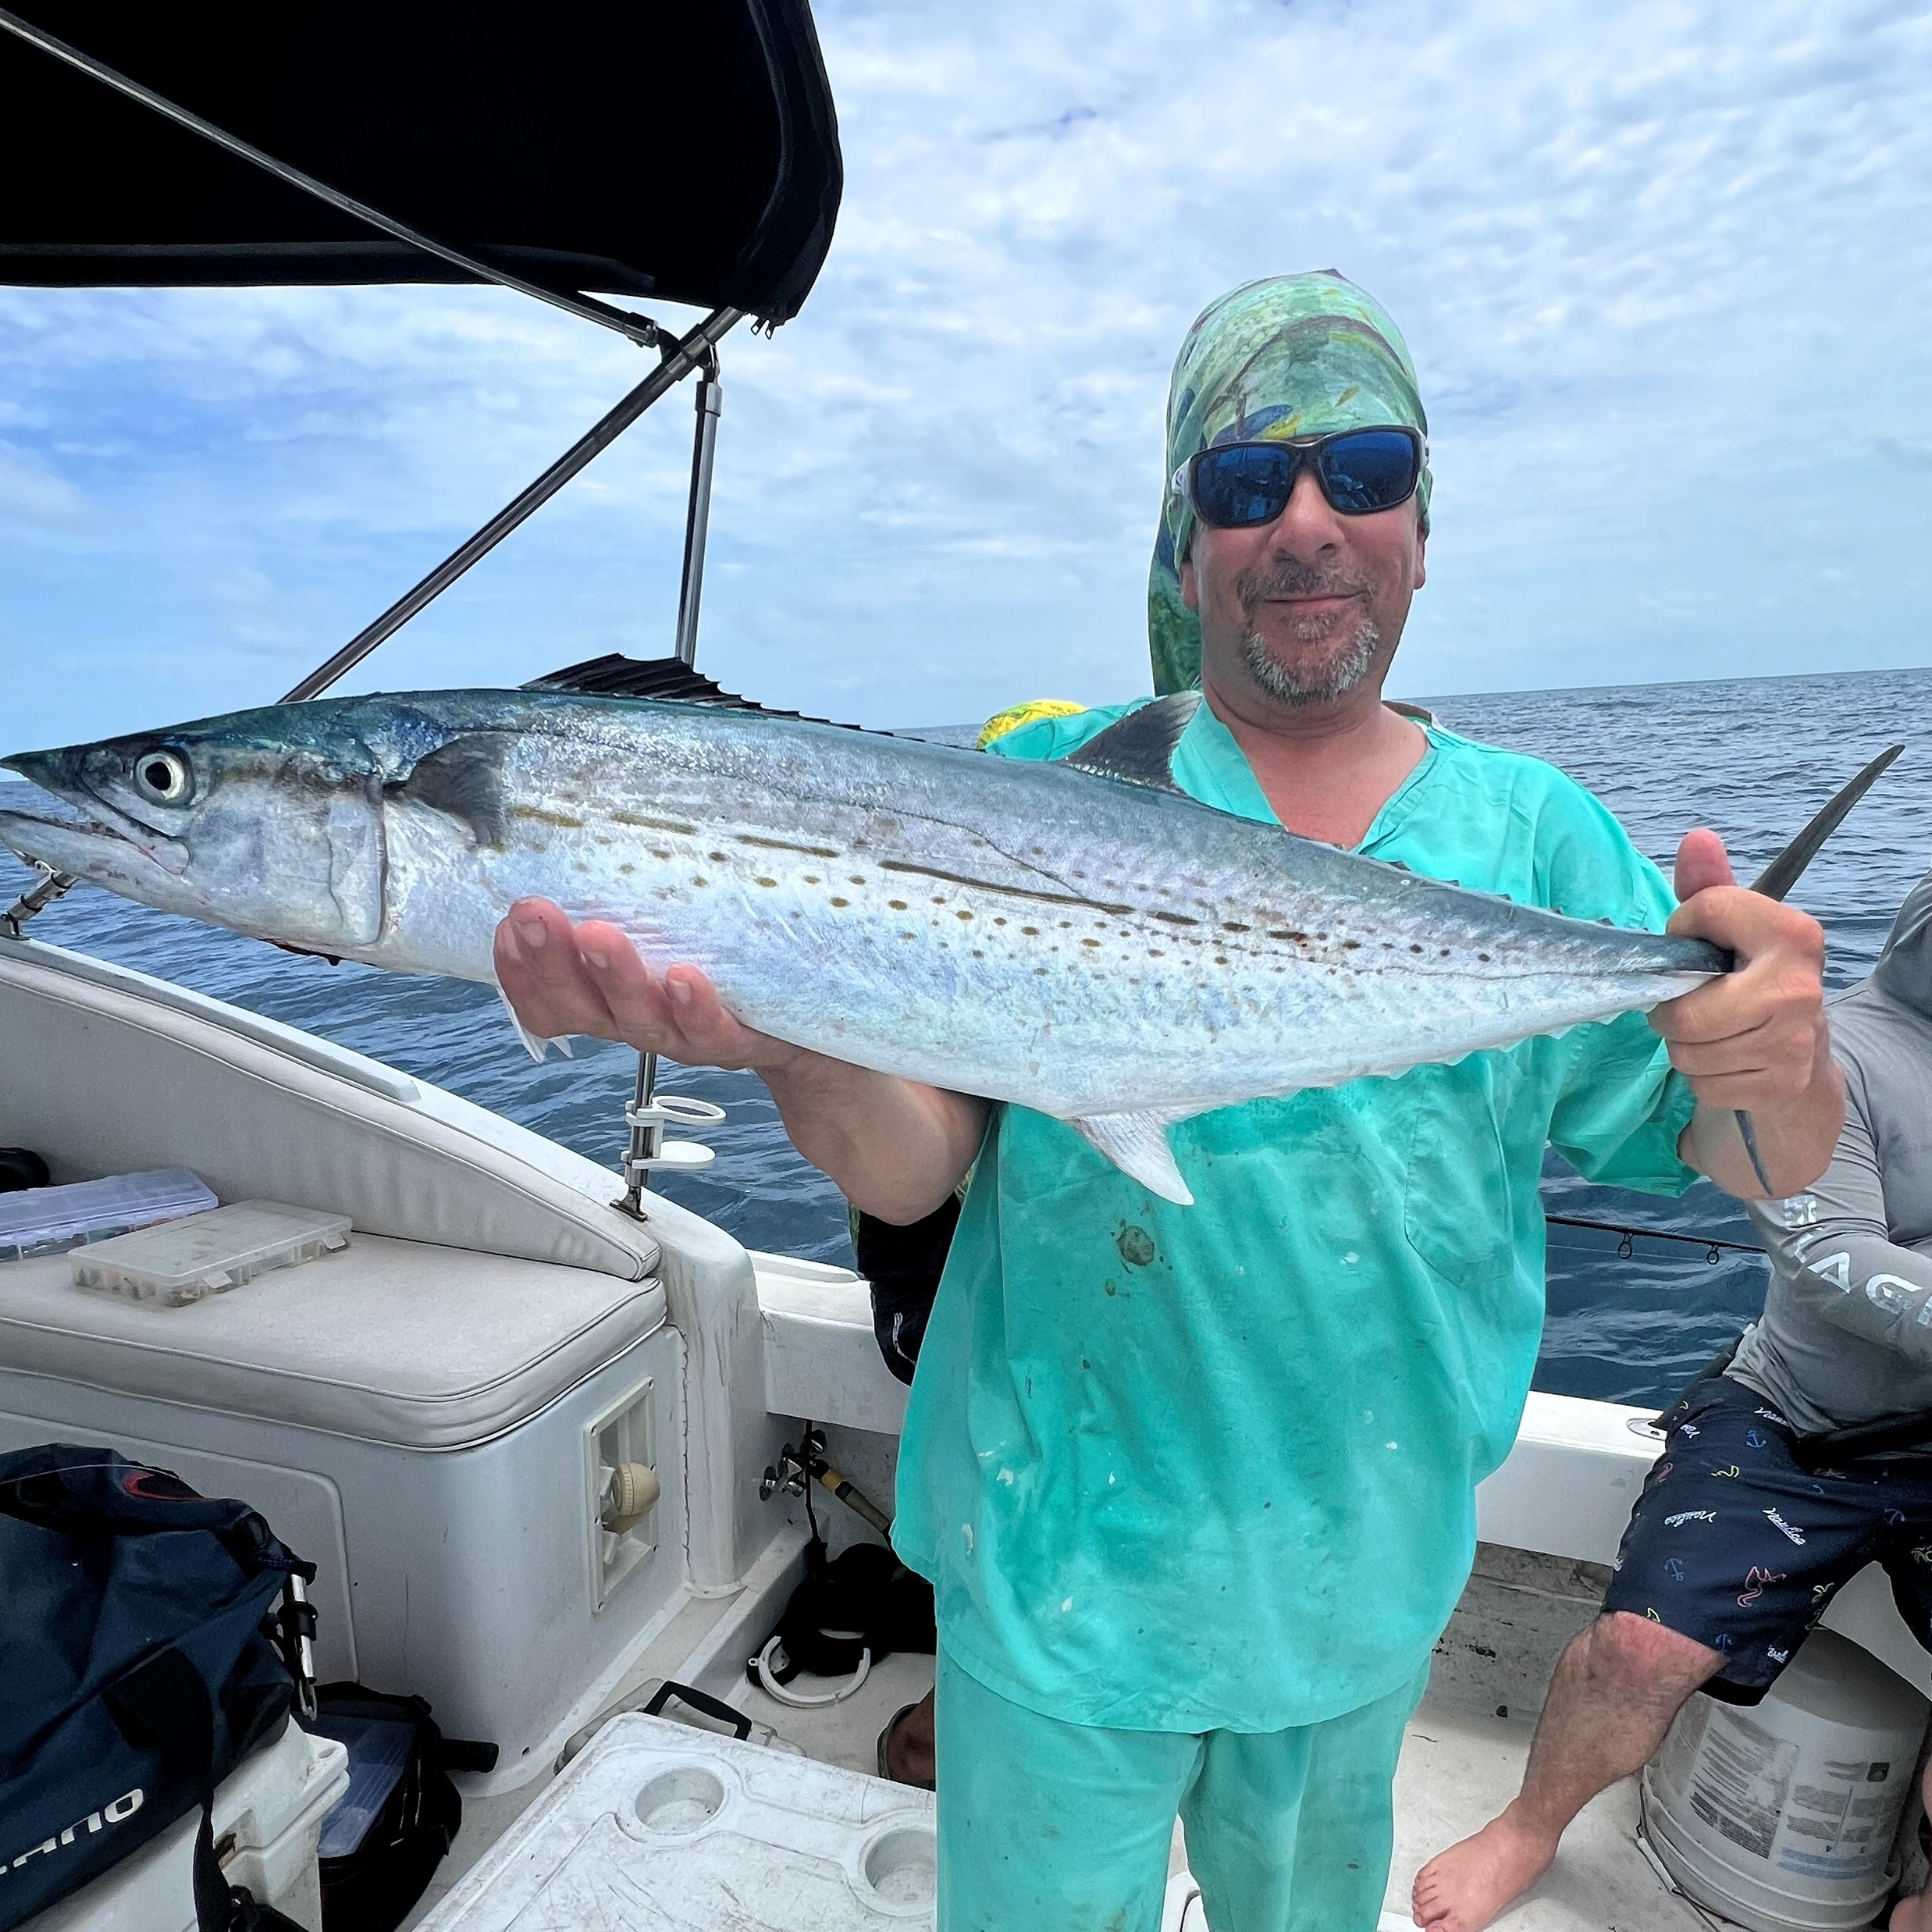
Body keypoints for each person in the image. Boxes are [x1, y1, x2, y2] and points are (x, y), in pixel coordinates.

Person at [493, 271, 1842, 1932]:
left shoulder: (1543, 844)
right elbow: (914, 1175)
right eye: (1240, 479)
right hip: (1057, 1571)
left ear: (1422, 525)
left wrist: (1781, 1059)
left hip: (1358, 1585)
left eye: (1359, 472)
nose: (1303, 521)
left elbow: (1758, 1156)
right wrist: (788, 1030)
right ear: (1182, 537)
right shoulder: (1042, 777)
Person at [1414, 874, 1932, 1932]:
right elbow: (1831, 1255)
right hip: (1791, 1421)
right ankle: (1528, 1825)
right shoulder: (1825, 1045)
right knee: (1641, 1648)